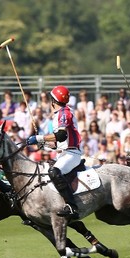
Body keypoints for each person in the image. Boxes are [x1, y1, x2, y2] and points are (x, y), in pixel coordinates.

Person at [26, 85, 81, 218]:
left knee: (54, 172)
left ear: (53, 101)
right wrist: (43, 143)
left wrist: (39, 138)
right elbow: (58, 142)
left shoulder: (63, 113)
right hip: (64, 153)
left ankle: (72, 206)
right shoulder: (61, 113)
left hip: (71, 154)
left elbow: (61, 135)